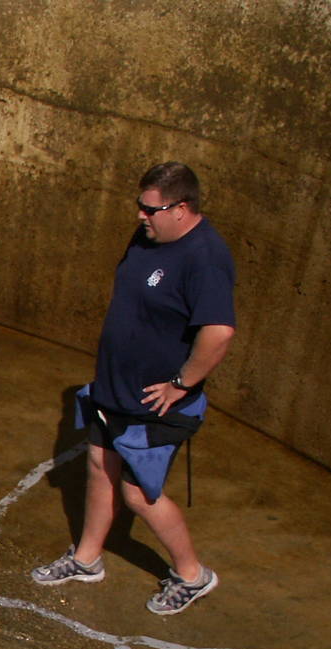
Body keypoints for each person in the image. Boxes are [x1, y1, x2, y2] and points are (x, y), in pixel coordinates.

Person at [32, 161, 236, 614]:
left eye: (150, 208)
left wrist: (182, 384)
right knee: (99, 468)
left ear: (181, 208)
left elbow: (219, 332)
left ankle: (192, 575)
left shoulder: (205, 258)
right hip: (114, 390)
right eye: (139, 206)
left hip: (156, 405)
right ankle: (87, 559)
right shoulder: (148, 237)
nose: (140, 216)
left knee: (138, 493)